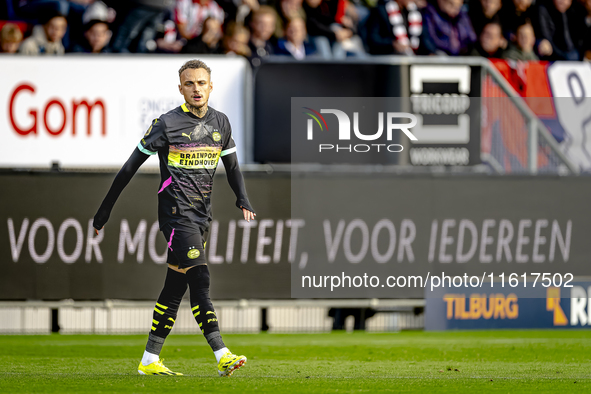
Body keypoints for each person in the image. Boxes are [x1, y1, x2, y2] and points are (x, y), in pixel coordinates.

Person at [93, 59, 255, 377]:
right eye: (189, 83)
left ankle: (150, 359)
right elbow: (130, 167)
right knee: (201, 278)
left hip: (200, 217)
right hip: (175, 215)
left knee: (174, 287)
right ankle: (222, 353)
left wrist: (242, 198)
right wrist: (105, 209)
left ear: (211, 86)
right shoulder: (166, 124)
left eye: (201, 83)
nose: (196, 88)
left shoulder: (221, 123)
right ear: (180, 88)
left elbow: (233, 167)